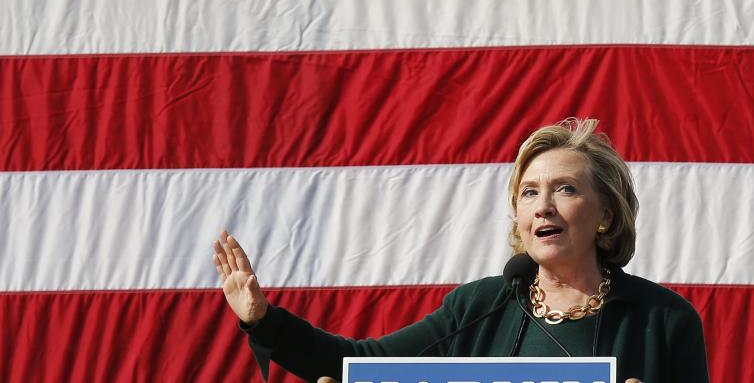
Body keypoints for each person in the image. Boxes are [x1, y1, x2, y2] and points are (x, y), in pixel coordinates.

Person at [215, 119, 710, 383]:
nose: (543, 208)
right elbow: (362, 366)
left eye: (565, 190)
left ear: (604, 214)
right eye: (529, 193)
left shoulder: (664, 321)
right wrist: (264, 321)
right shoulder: (478, 308)